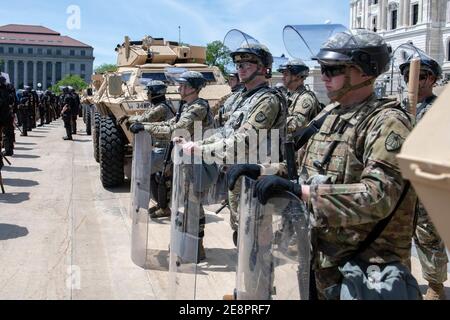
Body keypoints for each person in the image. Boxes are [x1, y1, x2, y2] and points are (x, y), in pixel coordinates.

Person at [228, 29, 420, 300]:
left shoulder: (387, 122)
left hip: (365, 268)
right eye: (323, 69)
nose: (325, 77)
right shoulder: (331, 114)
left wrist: (301, 193)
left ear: (365, 71)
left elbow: (378, 196)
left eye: (333, 70)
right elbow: (305, 169)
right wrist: (263, 171)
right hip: (320, 260)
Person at [180, 43, 287, 246]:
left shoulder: (267, 100)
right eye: (238, 63)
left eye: (248, 62)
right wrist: (197, 143)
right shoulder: (241, 98)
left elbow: (245, 142)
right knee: (241, 234)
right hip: (238, 178)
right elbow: (224, 132)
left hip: (257, 180)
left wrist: (201, 149)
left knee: (255, 241)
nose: (241, 67)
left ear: (264, 67)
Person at [130, 71, 214, 261]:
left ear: (193, 88)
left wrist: (146, 127)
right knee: (186, 203)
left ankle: (196, 246)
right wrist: (140, 122)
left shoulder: (198, 107)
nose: (179, 88)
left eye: (183, 85)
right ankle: (187, 241)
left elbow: (175, 130)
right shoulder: (188, 106)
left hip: (197, 162)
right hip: (187, 160)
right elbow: (171, 122)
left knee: (193, 204)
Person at [400, 55, 449, 300]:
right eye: (406, 75)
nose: (410, 80)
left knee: (428, 237)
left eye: (416, 75)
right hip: (401, 185)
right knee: (398, 236)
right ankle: (405, 282)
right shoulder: (399, 108)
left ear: (430, 79)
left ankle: (435, 285)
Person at [277, 59, 322, 135]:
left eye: (286, 75)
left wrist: (270, 123)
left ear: (297, 77)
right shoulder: (288, 95)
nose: (282, 78)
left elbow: (296, 123)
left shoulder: (305, 98)